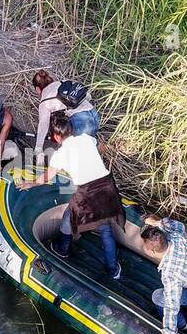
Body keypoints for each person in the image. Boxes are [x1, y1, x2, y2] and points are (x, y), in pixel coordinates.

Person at [20, 116, 123, 278]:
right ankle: (113, 269)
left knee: (69, 217)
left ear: (55, 137)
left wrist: (30, 183)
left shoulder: (60, 155)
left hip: (88, 191)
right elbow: (102, 148)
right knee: (104, 228)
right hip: (107, 187)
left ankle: (62, 249)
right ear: (72, 130)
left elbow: (46, 177)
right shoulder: (86, 139)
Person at [32, 69, 99, 156]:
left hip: (82, 122)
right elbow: (87, 96)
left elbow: (43, 126)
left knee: (76, 154)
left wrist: (38, 148)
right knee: (90, 146)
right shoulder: (64, 83)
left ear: (37, 89)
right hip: (94, 114)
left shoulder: (45, 101)